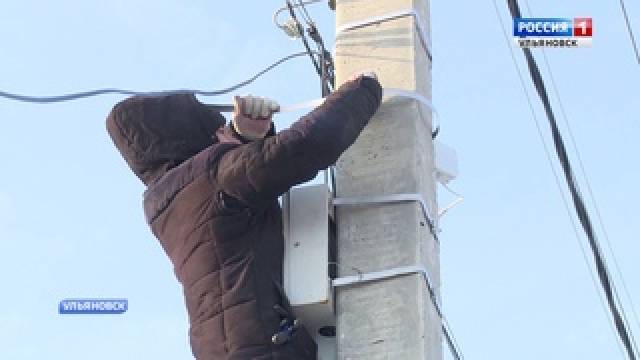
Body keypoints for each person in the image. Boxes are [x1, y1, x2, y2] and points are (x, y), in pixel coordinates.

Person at [106, 72, 382, 359]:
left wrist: (243, 139)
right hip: (263, 348)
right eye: (219, 128)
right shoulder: (212, 174)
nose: (226, 129)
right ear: (202, 138)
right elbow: (304, 146)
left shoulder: (169, 202)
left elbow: (235, 194)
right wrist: (365, 89)